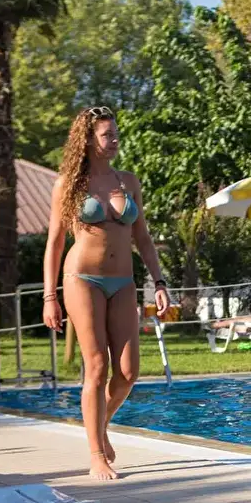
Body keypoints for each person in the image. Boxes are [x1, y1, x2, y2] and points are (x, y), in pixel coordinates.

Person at [42, 105, 169, 481]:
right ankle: (97, 454)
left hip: (124, 282)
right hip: (82, 278)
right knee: (96, 366)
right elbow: (54, 242)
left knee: (128, 372)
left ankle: (100, 423)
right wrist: (49, 296)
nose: (114, 141)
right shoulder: (69, 184)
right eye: (106, 135)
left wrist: (159, 282)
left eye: (116, 134)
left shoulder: (128, 181)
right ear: (87, 140)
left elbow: (142, 238)